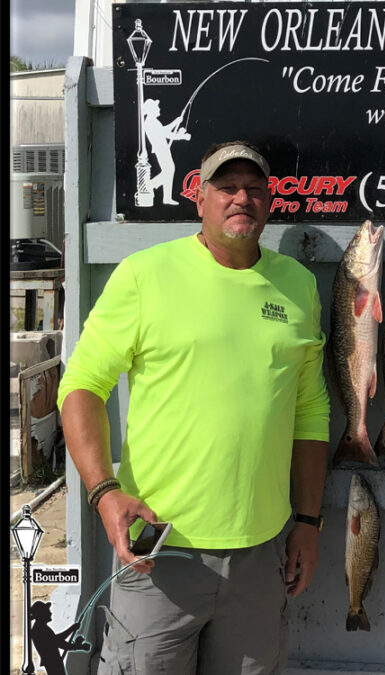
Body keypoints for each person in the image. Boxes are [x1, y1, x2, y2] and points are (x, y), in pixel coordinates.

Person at [59, 141, 330, 674]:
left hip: (260, 555)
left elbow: (310, 411)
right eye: (226, 187)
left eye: (254, 189)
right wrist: (104, 493)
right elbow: (82, 388)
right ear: (199, 198)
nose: (241, 199)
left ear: (271, 201)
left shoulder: (297, 286)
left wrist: (308, 521)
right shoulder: (144, 275)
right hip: (159, 551)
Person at [143, 98, 191, 205]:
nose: (159, 108)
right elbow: (166, 134)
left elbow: (164, 131)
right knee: (169, 171)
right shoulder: (151, 122)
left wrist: (176, 122)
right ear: (151, 110)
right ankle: (150, 185)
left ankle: (165, 197)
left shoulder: (153, 121)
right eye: (157, 107)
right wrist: (182, 136)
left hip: (162, 148)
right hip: (161, 149)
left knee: (169, 171)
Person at [28, 600, 91, 675]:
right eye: (47, 611)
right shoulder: (40, 629)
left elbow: (56, 641)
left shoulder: (40, 628)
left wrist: (78, 645)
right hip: (52, 662)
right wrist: (79, 645)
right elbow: (57, 642)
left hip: (53, 662)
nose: (50, 613)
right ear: (42, 614)